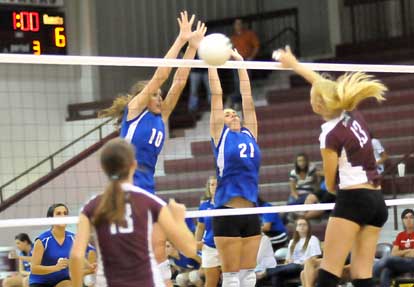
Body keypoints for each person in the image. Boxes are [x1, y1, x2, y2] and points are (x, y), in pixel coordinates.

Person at [98, 11, 206, 284]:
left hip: (148, 183)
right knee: (137, 246)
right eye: (155, 95)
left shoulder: (162, 117)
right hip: (127, 186)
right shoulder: (135, 111)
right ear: (144, 98)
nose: (160, 97)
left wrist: (193, 47)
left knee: (158, 246)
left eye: (160, 95)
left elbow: (179, 80)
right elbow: (162, 75)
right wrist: (181, 40)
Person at [274, 46, 388, 287]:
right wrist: (293, 63)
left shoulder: (329, 135)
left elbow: (329, 182)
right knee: (362, 275)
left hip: (354, 199)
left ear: (317, 106)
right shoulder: (350, 110)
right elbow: (323, 86)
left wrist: (335, 193)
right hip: (377, 201)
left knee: (328, 274)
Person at [69, 138, 197, 287]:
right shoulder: (151, 202)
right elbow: (189, 250)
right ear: (134, 165)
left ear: (103, 169)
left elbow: (76, 256)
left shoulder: (91, 206)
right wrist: (179, 220)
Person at [209, 48, 261, 287]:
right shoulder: (220, 137)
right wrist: (211, 63)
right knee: (231, 278)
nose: (233, 115)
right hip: (227, 212)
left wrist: (240, 63)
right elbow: (216, 94)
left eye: (234, 113)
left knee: (249, 275)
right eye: (227, 115)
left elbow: (247, 97)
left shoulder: (250, 133)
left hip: (250, 211)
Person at [257, 217, 322, 287]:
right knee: (276, 275)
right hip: (292, 266)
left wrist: (302, 262)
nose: (302, 227)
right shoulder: (292, 242)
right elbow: (287, 260)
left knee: (292, 266)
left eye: (304, 225)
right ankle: (267, 273)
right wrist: (288, 262)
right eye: (300, 225)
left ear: (308, 227)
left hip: (304, 266)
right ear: (296, 228)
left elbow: (314, 258)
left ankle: (266, 272)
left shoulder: (313, 239)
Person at [29, 204, 73, 287]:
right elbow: (34, 269)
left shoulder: (73, 238)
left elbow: (80, 260)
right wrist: (56, 267)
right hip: (41, 282)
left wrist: (90, 267)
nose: (63, 216)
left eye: (65, 213)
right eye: (58, 214)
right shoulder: (42, 240)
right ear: (50, 219)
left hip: (62, 280)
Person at [373, 208, 414, 287]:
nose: (408, 220)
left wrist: (401, 253)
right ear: (403, 220)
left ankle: (371, 275)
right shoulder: (400, 236)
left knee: (388, 259)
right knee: (386, 271)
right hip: (400, 263)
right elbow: (394, 253)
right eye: (406, 218)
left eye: (411, 217)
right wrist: (408, 251)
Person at [194, 176, 221, 287]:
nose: (214, 187)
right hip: (209, 247)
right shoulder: (204, 206)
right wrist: (196, 243)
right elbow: (200, 227)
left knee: (232, 280)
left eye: (217, 184)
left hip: (227, 246)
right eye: (212, 184)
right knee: (210, 283)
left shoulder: (229, 204)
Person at [230, 18, 260, 108]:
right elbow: (229, 50)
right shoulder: (233, 38)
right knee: (237, 81)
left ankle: (246, 101)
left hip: (246, 61)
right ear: (234, 26)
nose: (238, 26)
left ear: (242, 25)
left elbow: (256, 46)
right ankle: (238, 101)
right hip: (235, 63)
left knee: (246, 81)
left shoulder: (249, 34)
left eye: (239, 24)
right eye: (236, 24)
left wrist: (251, 57)